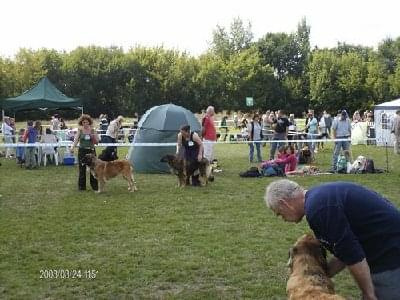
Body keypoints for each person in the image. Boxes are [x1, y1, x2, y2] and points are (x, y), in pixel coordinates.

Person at [265, 180, 400, 300]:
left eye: (279, 213)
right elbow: (344, 251)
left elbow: (352, 255)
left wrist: (368, 293)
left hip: (390, 250)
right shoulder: (319, 198)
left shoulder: (318, 209)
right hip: (383, 243)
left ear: (284, 204)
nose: (282, 218)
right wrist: (322, 276)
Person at [71, 114, 99, 191]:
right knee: (82, 169)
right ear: (81, 123)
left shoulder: (93, 130)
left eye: (87, 122)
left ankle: (94, 186)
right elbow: (76, 140)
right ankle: (81, 187)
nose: (85, 124)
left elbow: (97, 142)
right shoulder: (80, 130)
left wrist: (93, 135)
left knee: (93, 169)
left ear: (89, 122)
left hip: (91, 151)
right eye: (84, 122)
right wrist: (72, 147)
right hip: (82, 151)